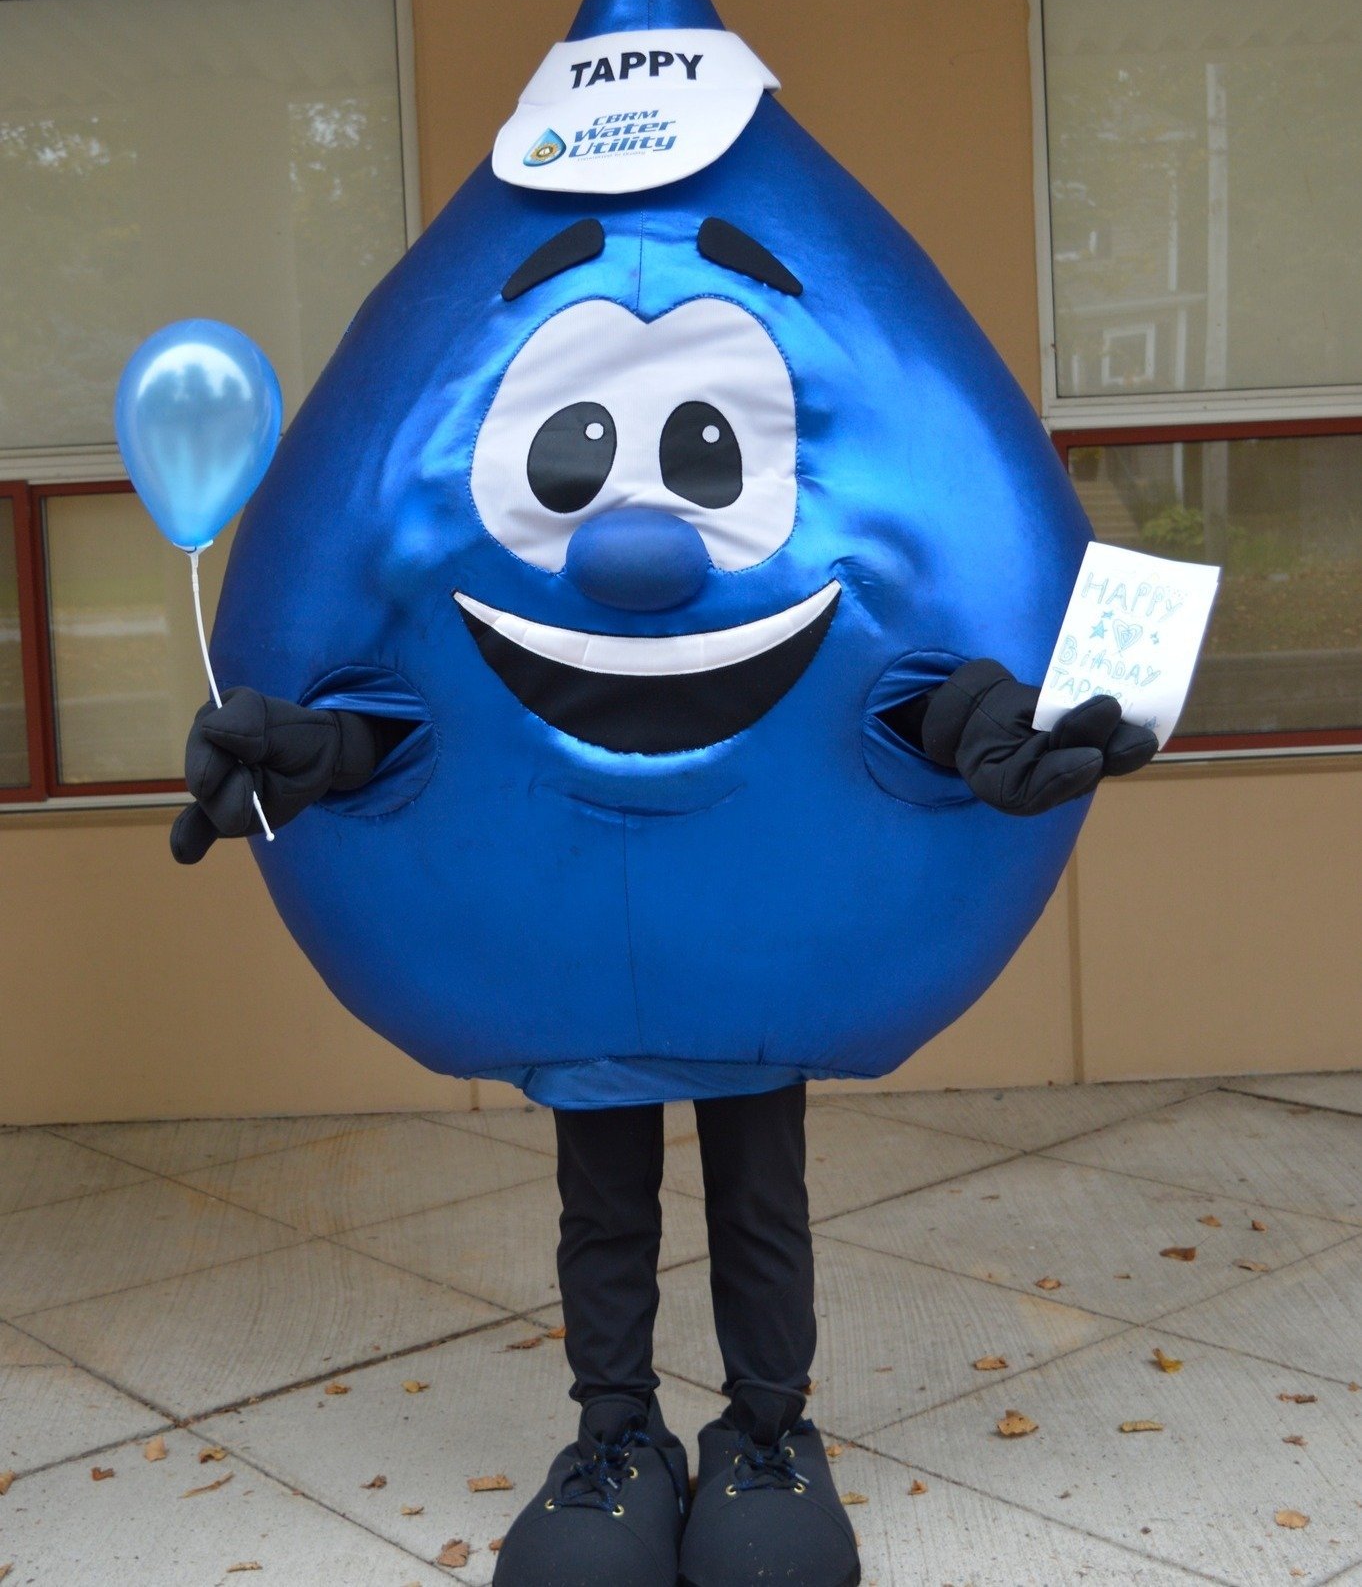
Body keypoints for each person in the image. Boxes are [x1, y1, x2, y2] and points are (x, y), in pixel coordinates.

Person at [171, 666, 1154, 1587]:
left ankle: (765, 1437)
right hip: (590, 942)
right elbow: (450, 699)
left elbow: (861, 675)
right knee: (604, 1205)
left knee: (760, 1196)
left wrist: (964, 710)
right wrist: (336, 741)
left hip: (751, 940)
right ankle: (616, 1437)